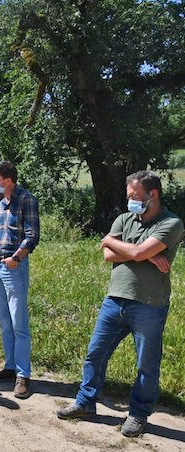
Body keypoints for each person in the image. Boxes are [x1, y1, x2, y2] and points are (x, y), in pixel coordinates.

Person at [56, 170, 183, 437]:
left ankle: (138, 414)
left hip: (149, 304)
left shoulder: (171, 222)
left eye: (135, 196)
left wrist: (132, 250)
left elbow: (127, 249)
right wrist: (146, 255)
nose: (130, 201)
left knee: (147, 364)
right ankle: (85, 403)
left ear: (153, 195)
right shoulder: (125, 218)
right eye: (129, 196)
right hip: (115, 299)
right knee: (95, 353)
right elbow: (106, 253)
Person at [0, 160, 40, 399]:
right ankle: (10, 367)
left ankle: (23, 375)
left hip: (12, 266)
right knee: (4, 320)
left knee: (19, 322)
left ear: (8, 181)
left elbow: (32, 234)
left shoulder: (26, 199)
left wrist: (16, 258)